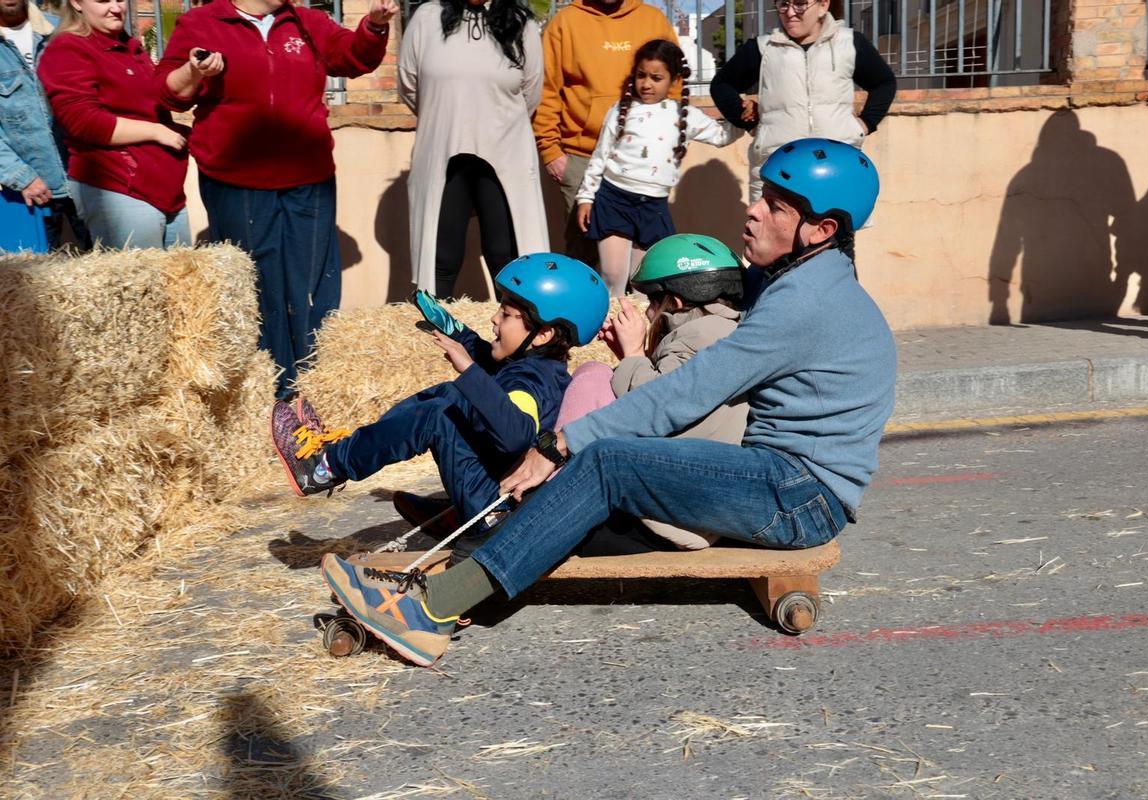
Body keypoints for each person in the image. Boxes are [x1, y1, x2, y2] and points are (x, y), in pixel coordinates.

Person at [318, 138, 897, 668]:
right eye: (760, 195)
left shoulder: (804, 302)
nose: (753, 209)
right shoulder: (800, 278)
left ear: (819, 230)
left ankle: (432, 611)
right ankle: (493, 530)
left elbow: (687, 392)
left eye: (775, 206)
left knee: (606, 459)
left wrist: (560, 441)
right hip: (781, 479)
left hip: (797, 494)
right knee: (608, 460)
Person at [272, 253, 609, 558]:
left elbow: (515, 435)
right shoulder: (536, 366)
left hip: (498, 517)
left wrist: (468, 371)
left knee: (440, 412)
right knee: (453, 397)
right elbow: (493, 370)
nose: (494, 318)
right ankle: (342, 456)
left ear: (543, 334)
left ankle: (324, 468)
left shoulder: (531, 383)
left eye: (506, 313)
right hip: (498, 498)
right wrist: (454, 329)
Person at [156, 0, 398, 397]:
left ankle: (312, 386)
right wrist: (193, 71)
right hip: (235, 180)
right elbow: (168, 93)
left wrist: (372, 26)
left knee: (312, 288)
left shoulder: (307, 21)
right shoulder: (204, 22)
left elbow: (353, 58)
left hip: (308, 178)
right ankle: (267, 393)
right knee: (257, 287)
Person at [558, 232, 748, 552]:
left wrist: (633, 353)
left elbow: (655, 407)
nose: (647, 313)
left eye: (651, 302)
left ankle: (552, 490)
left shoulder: (698, 337)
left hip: (668, 518)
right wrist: (629, 358)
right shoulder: (726, 333)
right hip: (690, 510)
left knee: (593, 375)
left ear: (674, 302)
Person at [400, 0, 547, 299]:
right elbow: (409, 85)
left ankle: (515, 338)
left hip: (505, 151)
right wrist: (446, 116)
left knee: (506, 255)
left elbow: (531, 91)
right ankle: (434, 334)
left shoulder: (524, 25)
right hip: (442, 149)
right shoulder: (426, 19)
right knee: (440, 257)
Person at [576, 39, 742, 296]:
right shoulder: (620, 110)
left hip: (652, 206)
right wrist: (585, 198)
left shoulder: (684, 115)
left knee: (643, 279)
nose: (646, 84)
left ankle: (640, 330)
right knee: (613, 274)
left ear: (674, 79)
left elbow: (722, 136)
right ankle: (608, 325)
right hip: (614, 198)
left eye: (656, 77)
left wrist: (747, 116)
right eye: (641, 75)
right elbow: (600, 155)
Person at [532, 0, 678, 267]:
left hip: (642, 160)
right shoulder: (565, 22)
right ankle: (580, 308)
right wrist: (551, 151)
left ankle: (638, 308)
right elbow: (546, 91)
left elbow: (675, 84)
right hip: (581, 157)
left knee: (643, 249)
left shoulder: (653, 20)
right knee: (583, 247)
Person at [38, 0, 192, 249]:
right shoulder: (67, 48)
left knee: (183, 282)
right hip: (118, 186)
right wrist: (155, 131)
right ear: (76, 3)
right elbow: (83, 121)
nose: (116, 7)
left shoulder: (129, 45)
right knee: (139, 282)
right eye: (102, 0)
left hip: (164, 185)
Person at [710, 0, 896, 202]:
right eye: (783, 4)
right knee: (773, 232)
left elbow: (883, 83)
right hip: (777, 169)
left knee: (833, 231)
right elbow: (722, 85)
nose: (790, 13)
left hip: (836, 167)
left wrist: (864, 124)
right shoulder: (763, 48)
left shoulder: (849, 43)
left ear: (823, 5)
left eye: (799, 4)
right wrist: (751, 122)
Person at [0, 0, 91, 250]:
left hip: (88, 178)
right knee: (36, 283)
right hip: (28, 191)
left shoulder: (63, 31)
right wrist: (20, 177)